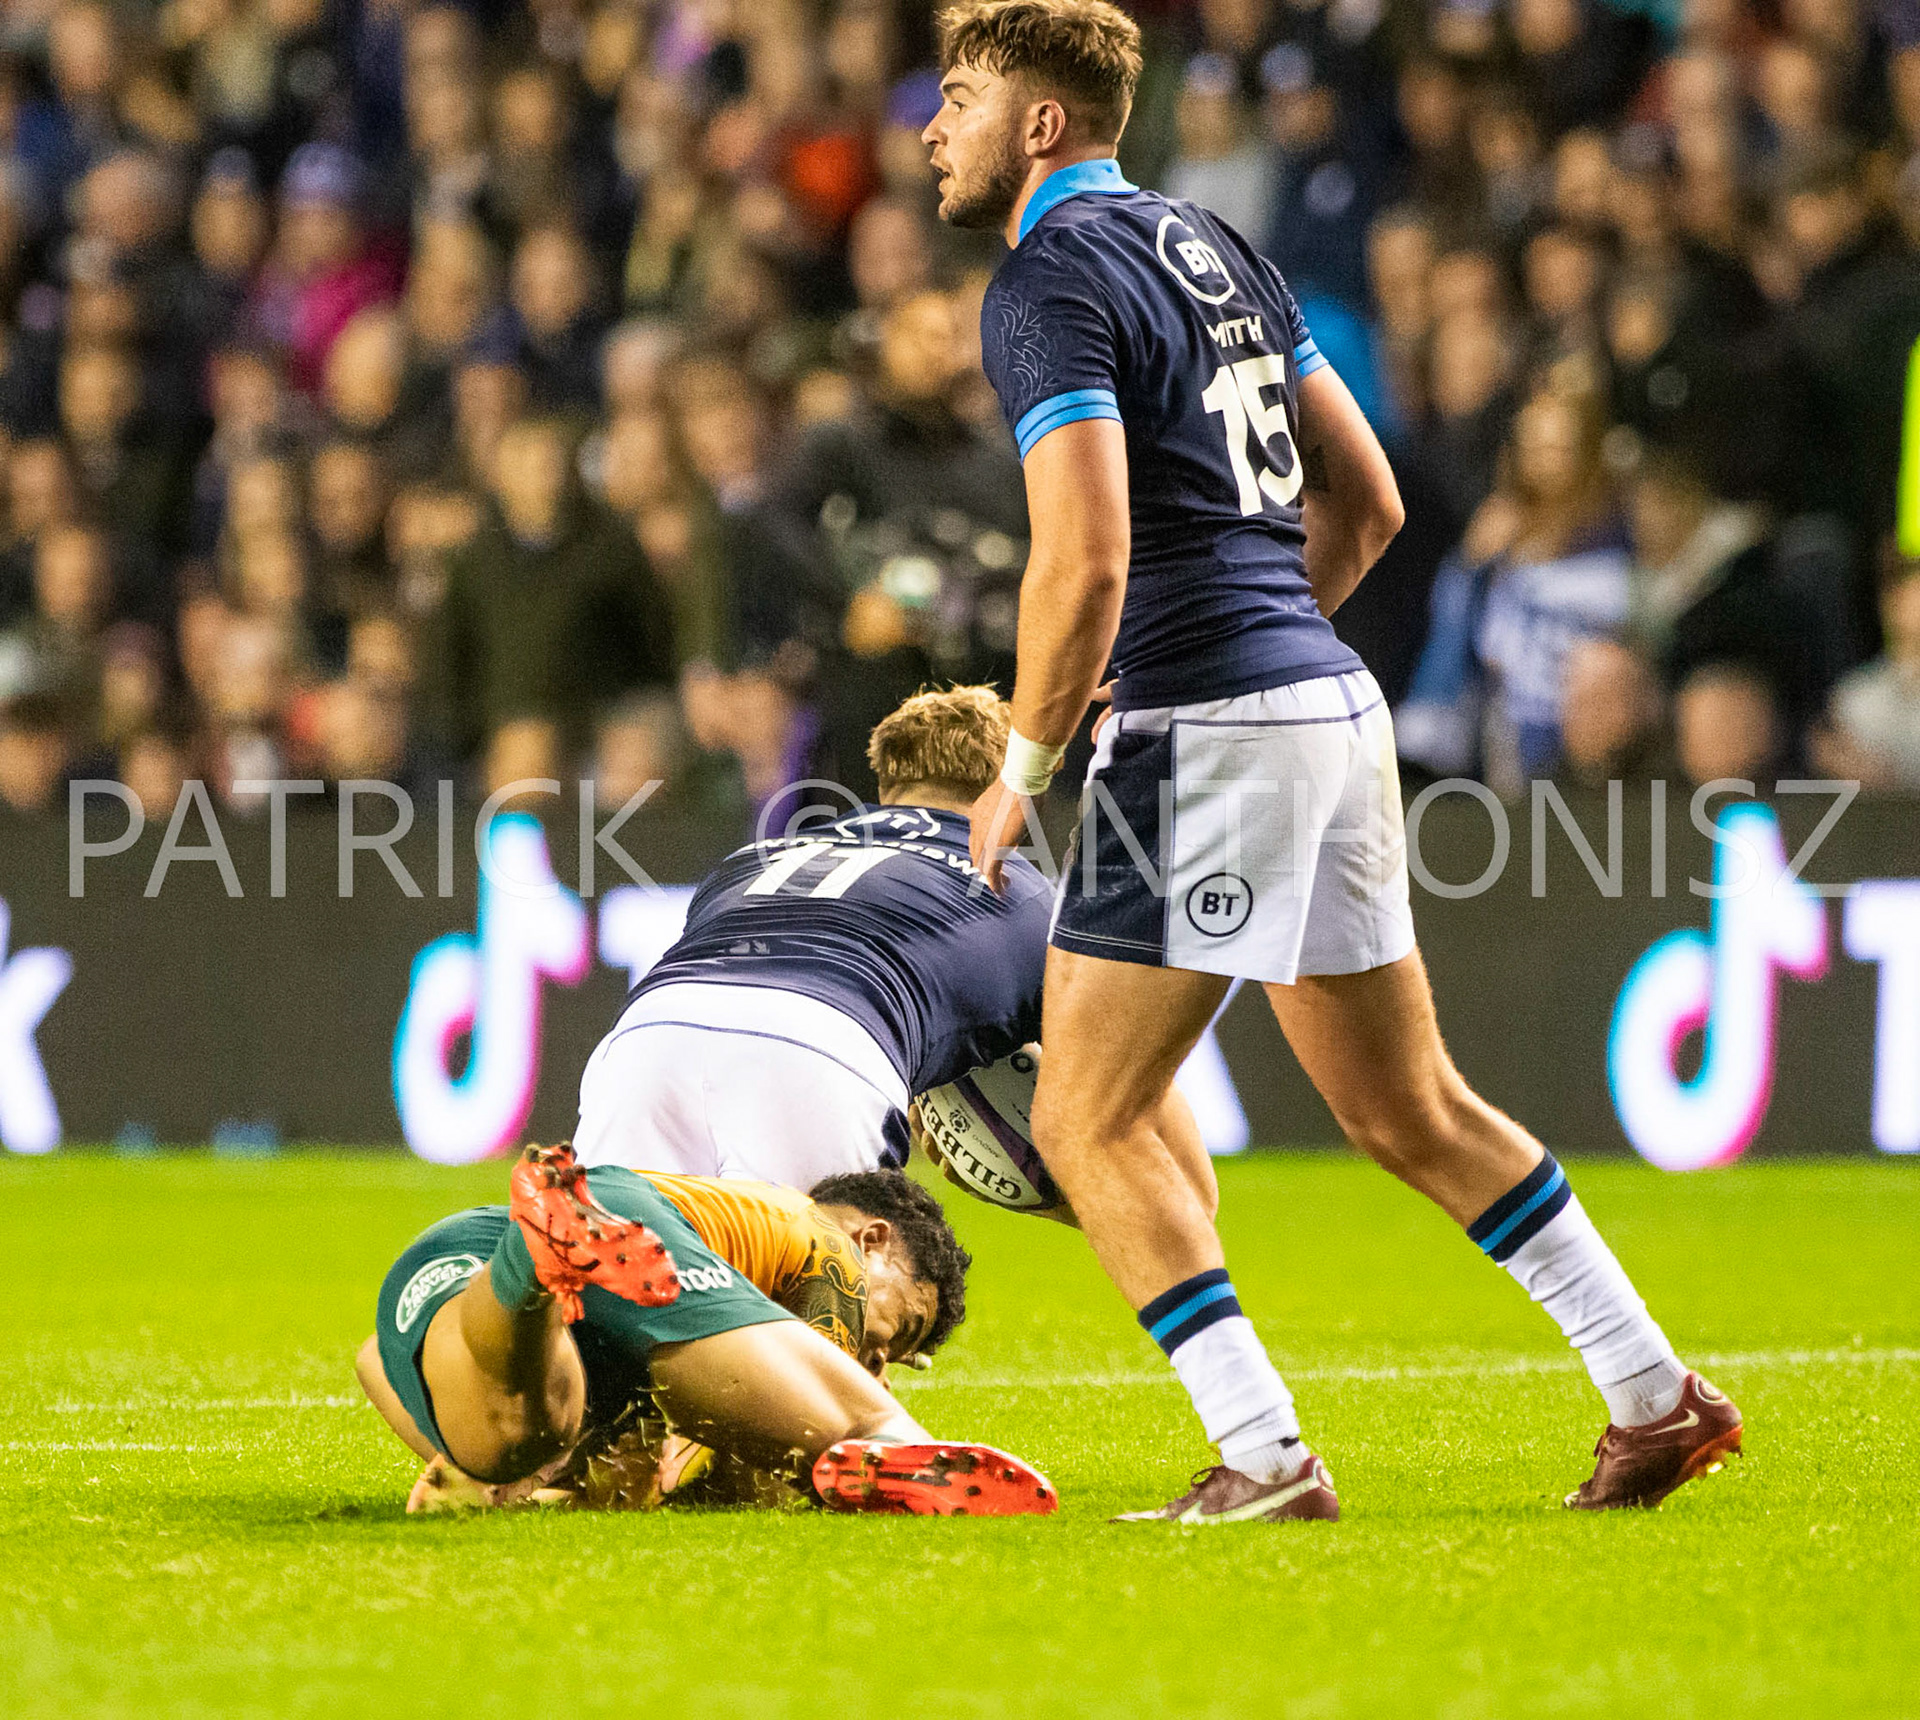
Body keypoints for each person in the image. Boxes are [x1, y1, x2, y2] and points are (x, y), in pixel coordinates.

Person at [930, 0, 1742, 1523]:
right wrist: (1268, 639)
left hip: (1213, 726)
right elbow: (1365, 502)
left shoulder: (1045, 277)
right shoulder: (1222, 250)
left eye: (961, 98)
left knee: (1085, 1120)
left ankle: (1264, 1457)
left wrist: (1025, 755)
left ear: (1043, 123)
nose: (934, 128)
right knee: (1408, 1109)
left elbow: (1084, 553)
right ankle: (1655, 1395)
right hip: (1327, 698)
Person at [572, 682, 1211, 1204]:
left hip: (643, 1036)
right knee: (810, 1335)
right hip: (824, 1047)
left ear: (884, 788)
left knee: (607, 1299)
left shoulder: (751, 860)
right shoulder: (1028, 897)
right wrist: (1042, 1188)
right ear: (1017, 788)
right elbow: (1182, 1185)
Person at [356, 1143, 1053, 1517]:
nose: (875, 1357)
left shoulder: (660, 1270)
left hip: (437, 1279)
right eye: (898, 1329)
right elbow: (755, 1474)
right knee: (845, 1427)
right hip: (617, 1207)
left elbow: (373, 1362)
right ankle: (909, 1446)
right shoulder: (820, 1244)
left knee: (515, 1437)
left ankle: (525, 1269)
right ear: (872, 1239)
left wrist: (551, 1485)